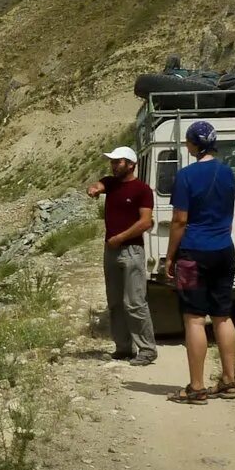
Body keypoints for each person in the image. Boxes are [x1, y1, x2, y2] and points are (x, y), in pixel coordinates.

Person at [163, 121, 235, 404]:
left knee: (194, 318)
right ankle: (229, 380)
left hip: (193, 255)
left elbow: (180, 220)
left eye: (187, 141)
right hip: (224, 250)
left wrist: (171, 256)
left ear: (194, 144)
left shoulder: (186, 176)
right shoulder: (228, 172)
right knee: (223, 315)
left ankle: (196, 387)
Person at [87, 146, 157, 364]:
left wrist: (121, 237)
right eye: (112, 162)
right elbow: (98, 185)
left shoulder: (142, 190)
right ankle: (123, 347)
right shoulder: (111, 183)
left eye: (118, 162)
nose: (113, 165)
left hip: (131, 250)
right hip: (111, 251)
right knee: (115, 301)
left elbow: (145, 222)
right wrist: (94, 189)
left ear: (131, 164)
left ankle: (147, 349)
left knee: (135, 301)